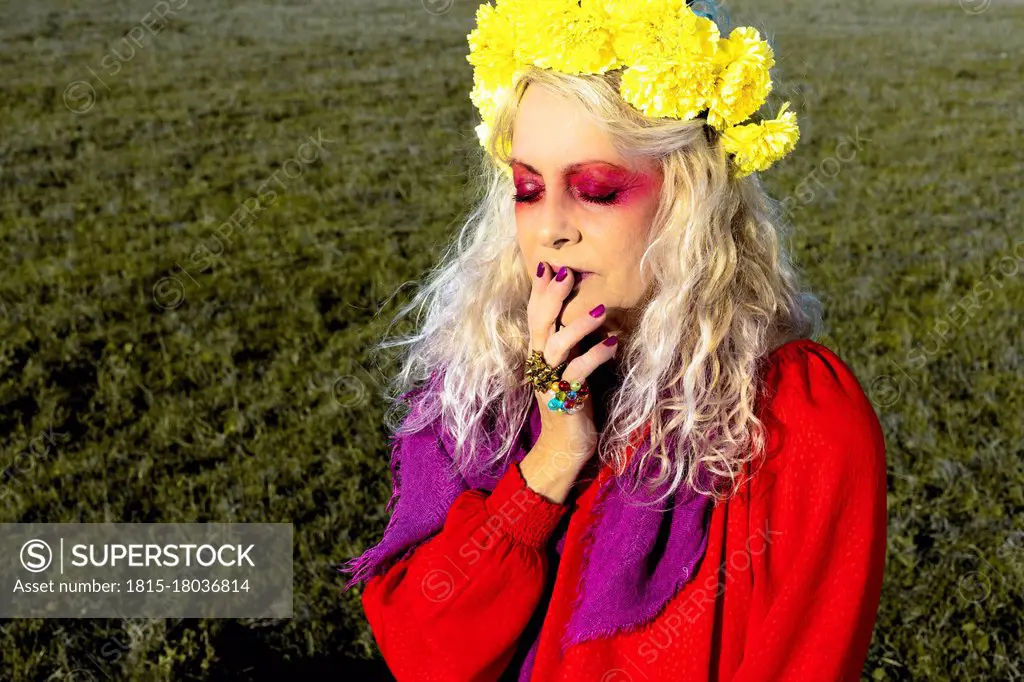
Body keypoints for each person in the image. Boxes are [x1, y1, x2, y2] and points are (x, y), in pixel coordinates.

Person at [339, 1, 888, 680]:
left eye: (597, 190)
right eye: (529, 188)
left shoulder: (796, 420)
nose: (551, 228)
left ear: (689, 197)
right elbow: (424, 653)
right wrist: (552, 456)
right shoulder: (491, 375)